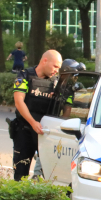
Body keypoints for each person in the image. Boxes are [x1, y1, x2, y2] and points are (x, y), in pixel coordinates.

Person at [11, 50, 63, 181]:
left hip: (46, 133)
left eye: (58, 68)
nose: (56, 70)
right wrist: (33, 122)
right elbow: (19, 101)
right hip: (25, 130)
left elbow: (64, 107)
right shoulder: (24, 76)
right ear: (45, 61)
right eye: (55, 66)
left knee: (49, 175)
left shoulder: (56, 82)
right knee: (20, 174)